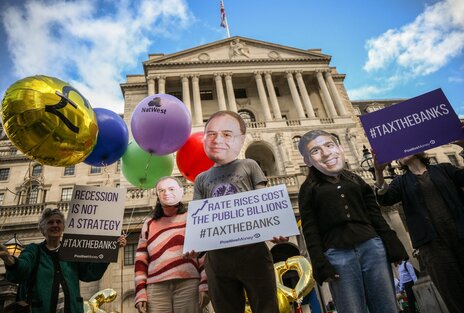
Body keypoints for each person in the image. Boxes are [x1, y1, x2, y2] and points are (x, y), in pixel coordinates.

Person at [297, 129, 407, 313]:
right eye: (315, 151)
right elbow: (310, 229)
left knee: (387, 306)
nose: (325, 153)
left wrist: (393, 246)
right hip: (337, 254)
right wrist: (320, 264)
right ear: (307, 160)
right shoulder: (308, 189)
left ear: (339, 148)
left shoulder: (355, 179)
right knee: (351, 309)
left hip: (372, 247)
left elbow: (375, 215)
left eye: (329, 145)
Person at [193, 110, 283, 313]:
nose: (218, 140)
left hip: (253, 251)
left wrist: (274, 226)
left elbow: (263, 201)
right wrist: (193, 244)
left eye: (226, 134)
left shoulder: (249, 165)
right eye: (212, 134)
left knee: (266, 307)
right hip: (217, 258)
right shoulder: (201, 179)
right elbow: (197, 218)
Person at [374, 132, 464, 313]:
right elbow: (385, 199)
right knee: (454, 294)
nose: (403, 153)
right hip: (433, 246)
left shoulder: (444, 169)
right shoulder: (400, 182)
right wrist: (378, 173)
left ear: (419, 151)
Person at [0, 207, 126, 313]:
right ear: (42, 229)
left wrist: (111, 250)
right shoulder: (34, 250)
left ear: (63, 227)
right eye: (50, 222)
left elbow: (90, 273)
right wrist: (8, 259)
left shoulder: (71, 251)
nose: (55, 225)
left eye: (59, 222)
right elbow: (22, 268)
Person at [134, 176, 209, 313]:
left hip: (189, 283)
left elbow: (204, 253)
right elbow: (140, 260)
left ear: (181, 191)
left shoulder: (193, 217)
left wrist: (205, 284)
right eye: (161, 190)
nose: (166, 193)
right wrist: (140, 292)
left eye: (171, 189)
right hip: (156, 287)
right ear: (157, 195)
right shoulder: (149, 224)